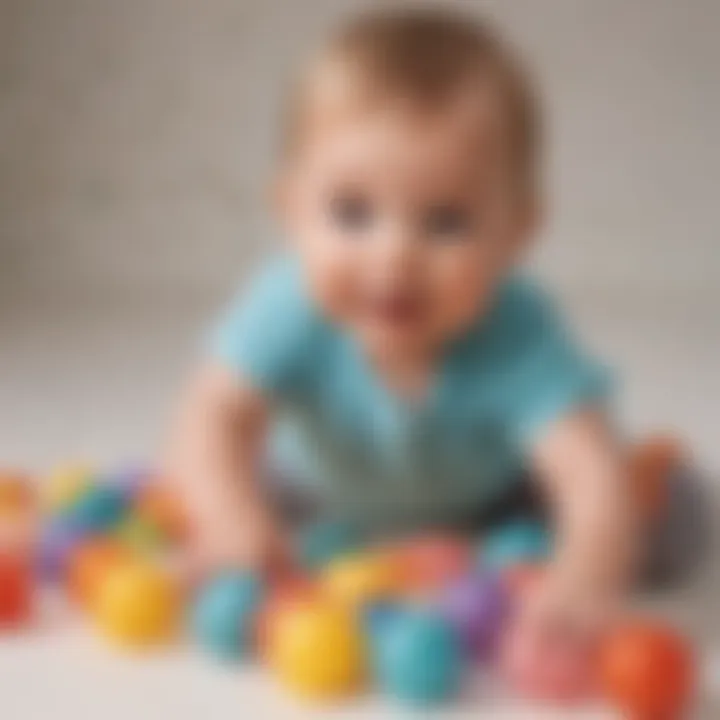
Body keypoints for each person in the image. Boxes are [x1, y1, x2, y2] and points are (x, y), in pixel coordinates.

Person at [165, 7, 637, 686]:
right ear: (290, 208)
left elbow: (587, 467)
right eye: (352, 213)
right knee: (221, 489)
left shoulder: (516, 329)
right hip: (315, 497)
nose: (393, 256)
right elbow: (210, 412)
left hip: (484, 509)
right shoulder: (289, 303)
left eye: (446, 222)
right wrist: (229, 515)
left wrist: (585, 574)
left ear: (519, 232)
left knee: (654, 521)